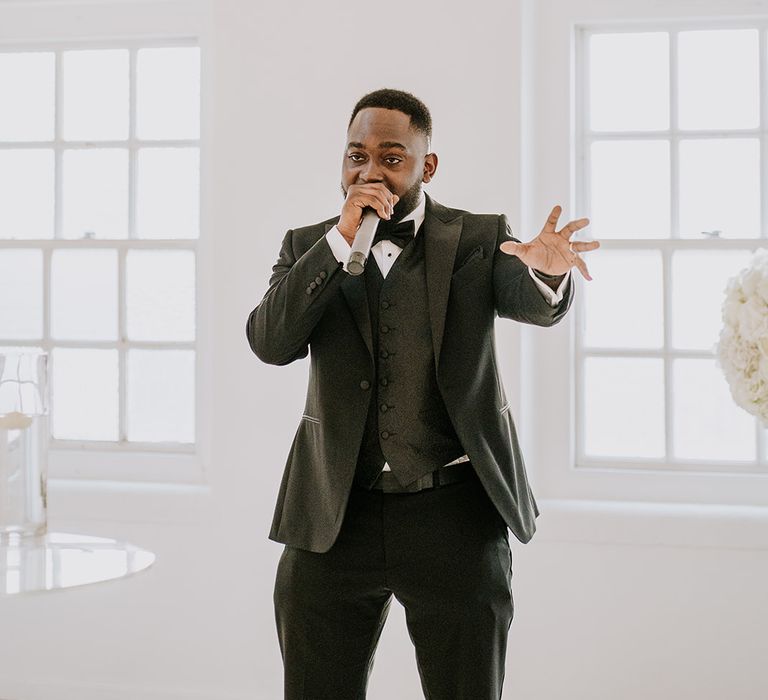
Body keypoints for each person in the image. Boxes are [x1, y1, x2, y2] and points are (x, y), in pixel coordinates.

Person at [246, 88, 598, 700]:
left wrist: (546, 270)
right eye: (357, 156)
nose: (370, 171)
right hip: (333, 511)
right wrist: (339, 240)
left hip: (453, 512)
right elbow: (270, 341)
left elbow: (530, 301)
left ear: (426, 166)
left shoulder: (478, 237)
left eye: (391, 156)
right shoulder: (307, 246)